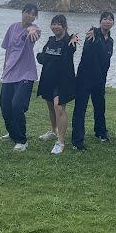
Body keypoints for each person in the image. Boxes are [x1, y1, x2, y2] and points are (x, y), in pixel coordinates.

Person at [0, 3, 41, 152]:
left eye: (33, 14)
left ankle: (22, 140)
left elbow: (33, 31)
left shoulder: (35, 30)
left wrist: (31, 29)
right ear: (22, 12)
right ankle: (12, 133)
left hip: (26, 73)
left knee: (17, 105)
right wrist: (5, 68)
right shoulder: (12, 28)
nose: (30, 16)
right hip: (10, 72)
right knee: (4, 105)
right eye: (28, 12)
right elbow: (8, 49)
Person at [71, 12, 115, 151]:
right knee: (80, 109)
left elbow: (106, 61)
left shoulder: (110, 40)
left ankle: (100, 132)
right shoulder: (93, 34)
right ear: (100, 21)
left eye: (110, 19)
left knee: (100, 106)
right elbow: (88, 52)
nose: (107, 21)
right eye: (105, 19)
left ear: (113, 23)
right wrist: (93, 34)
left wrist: (103, 77)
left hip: (100, 79)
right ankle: (77, 140)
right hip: (85, 78)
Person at [36, 14, 79, 155]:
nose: (56, 26)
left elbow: (71, 50)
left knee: (58, 107)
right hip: (48, 79)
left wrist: (72, 40)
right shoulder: (50, 41)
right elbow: (43, 58)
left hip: (63, 81)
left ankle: (60, 141)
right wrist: (39, 56)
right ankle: (53, 131)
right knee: (51, 107)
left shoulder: (69, 40)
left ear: (64, 26)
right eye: (53, 24)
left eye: (59, 24)